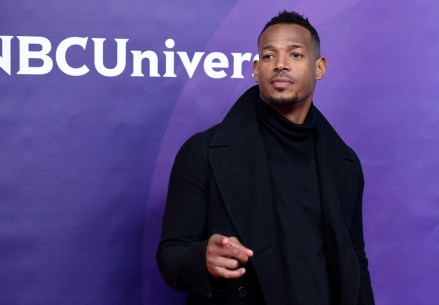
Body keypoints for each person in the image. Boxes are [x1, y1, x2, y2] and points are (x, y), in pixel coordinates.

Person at [156, 10, 375, 305]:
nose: (281, 65)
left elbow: (354, 263)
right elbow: (171, 255)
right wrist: (202, 258)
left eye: (295, 55)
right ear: (257, 69)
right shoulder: (203, 152)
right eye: (269, 56)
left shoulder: (345, 164)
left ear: (319, 67)